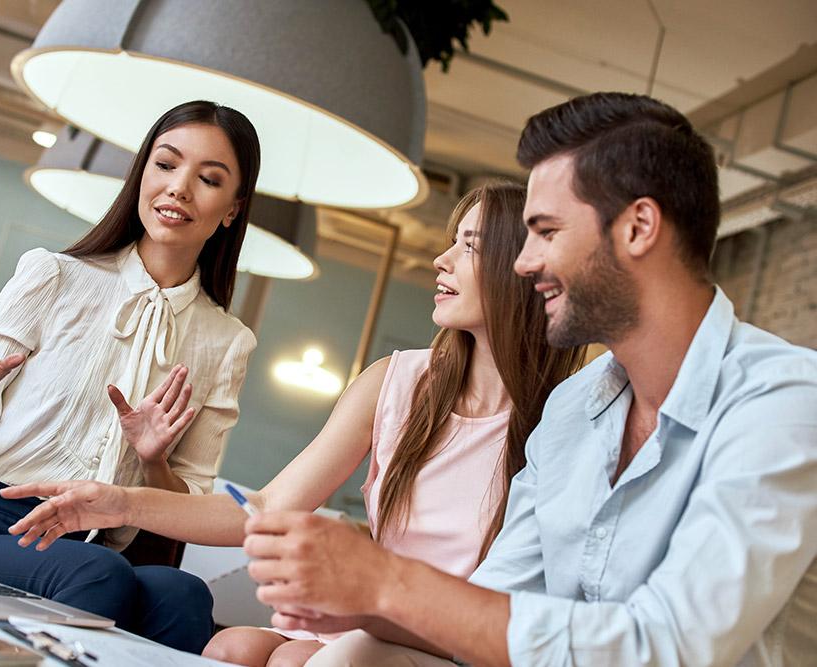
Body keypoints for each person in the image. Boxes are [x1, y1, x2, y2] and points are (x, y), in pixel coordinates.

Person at [223, 92, 817, 667]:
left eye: (548, 232)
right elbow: (492, 611)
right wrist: (354, 600)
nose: (526, 262)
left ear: (638, 228)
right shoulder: (572, 409)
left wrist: (387, 583)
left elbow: (668, 648)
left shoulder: (781, 403)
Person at [0, 182, 586, 666]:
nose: (441, 259)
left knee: (326, 660)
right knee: (231, 649)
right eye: (451, 241)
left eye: (470, 246)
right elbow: (266, 507)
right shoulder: (396, 382)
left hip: (455, 638)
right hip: (364, 623)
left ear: (524, 269)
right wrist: (121, 503)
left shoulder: (565, 425)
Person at [0, 100, 261, 653]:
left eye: (208, 179)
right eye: (166, 165)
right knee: (99, 574)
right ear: (142, 173)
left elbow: (190, 505)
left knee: (183, 594)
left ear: (233, 209)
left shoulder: (227, 342)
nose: (179, 188)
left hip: (84, 541)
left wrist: (152, 460)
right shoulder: (54, 275)